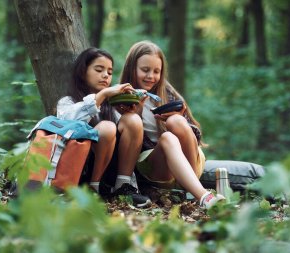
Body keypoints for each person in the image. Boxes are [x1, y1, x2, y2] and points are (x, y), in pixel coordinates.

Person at [119, 40, 225, 209]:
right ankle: (204, 196)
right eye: (145, 70)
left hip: (189, 157)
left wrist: (179, 119)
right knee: (168, 138)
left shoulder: (166, 93)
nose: (151, 76)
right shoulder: (121, 96)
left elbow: (196, 135)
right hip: (155, 163)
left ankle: (195, 191)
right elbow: (126, 143)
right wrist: (136, 111)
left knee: (175, 122)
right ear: (132, 68)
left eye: (156, 71)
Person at [56, 47, 151, 208]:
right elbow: (68, 126)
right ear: (82, 71)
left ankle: (123, 187)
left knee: (133, 120)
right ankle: (93, 189)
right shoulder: (67, 102)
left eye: (109, 71)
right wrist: (103, 95)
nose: (106, 75)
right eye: (99, 70)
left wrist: (135, 111)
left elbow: (130, 140)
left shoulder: (113, 106)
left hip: (111, 172)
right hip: (81, 173)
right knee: (106, 127)